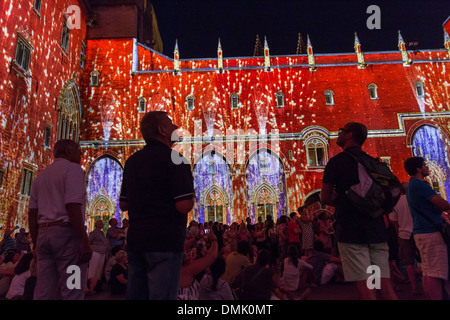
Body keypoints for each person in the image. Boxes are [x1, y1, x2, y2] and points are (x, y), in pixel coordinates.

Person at [119, 111, 195, 300]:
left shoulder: (132, 161)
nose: (175, 127)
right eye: (170, 124)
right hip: (165, 242)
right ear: (162, 130)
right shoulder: (176, 160)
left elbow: (123, 204)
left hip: (137, 242)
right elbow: (183, 205)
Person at [320, 122, 398, 300]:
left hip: (352, 233)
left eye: (341, 131)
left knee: (365, 285)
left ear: (349, 135)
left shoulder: (337, 162)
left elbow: (324, 197)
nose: (338, 134)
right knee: (383, 285)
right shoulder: (372, 162)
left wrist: (343, 198)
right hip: (377, 231)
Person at [28, 139, 92, 300]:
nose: (81, 153)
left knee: (44, 290)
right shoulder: (73, 169)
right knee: (73, 289)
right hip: (67, 236)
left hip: (43, 235)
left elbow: (32, 213)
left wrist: (35, 243)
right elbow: (72, 205)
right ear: (69, 151)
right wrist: (83, 240)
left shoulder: (41, 175)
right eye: (78, 150)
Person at [404, 156, 450, 300]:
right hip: (430, 231)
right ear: (419, 169)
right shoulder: (420, 185)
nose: (427, 167)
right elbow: (443, 204)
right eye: (424, 165)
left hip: (422, 232)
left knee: (428, 271)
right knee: (435, 273)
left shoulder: (412, 185)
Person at [389, 181, 422, 294]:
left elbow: (393, 220)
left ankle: (414, 287)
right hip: (419, 232)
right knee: (424, 260)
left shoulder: (397, 203)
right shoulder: (415, 200)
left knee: (408, 262)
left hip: (404, 235)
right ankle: (426, 282)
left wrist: (398, 231)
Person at [178, 230, 218, 300]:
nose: (188, 252)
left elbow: (182, 246)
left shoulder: (170, 264)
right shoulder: (187, 269)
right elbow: (212, 257)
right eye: (187, 251)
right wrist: (214, 240)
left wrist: (196, 238)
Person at [86, 219, 109, 295]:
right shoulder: (94, 232)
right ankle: (89, 287)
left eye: (102, 223)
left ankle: (95, 286)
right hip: (96, 252)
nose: (102, 225)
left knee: (99, 271)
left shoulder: (102, 233)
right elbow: (89, 241)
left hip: (102, 253)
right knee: (93, 269)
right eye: (101, 223)